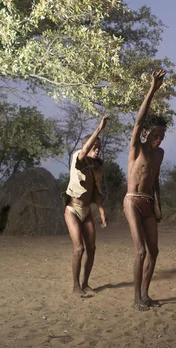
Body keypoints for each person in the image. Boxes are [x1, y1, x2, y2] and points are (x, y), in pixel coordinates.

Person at [124, 70, 167, 311]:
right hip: (132, 200)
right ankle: (135, 299)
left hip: (149, 202)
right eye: (155, 134)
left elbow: (156, 179)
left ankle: (145, 294)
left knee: (154, 251)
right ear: (145, 133)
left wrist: (158, 204)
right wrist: (153, 89)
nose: (159, 139)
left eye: (162, 136)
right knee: (140, 251)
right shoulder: (136, 148)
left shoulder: (159, 154)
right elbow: (139, 120)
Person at [64, 115, 109, 298]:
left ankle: (85, 283)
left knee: (92, 249)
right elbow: (83, 151)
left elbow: (96, 193)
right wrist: (99, 128)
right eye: (94, 146)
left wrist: (101, 212)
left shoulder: (95, 167)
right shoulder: (79, 158)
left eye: (98, 147)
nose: (96, 150)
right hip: (73, 210)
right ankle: (76, 287)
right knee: (79, 249)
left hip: (87, 212)